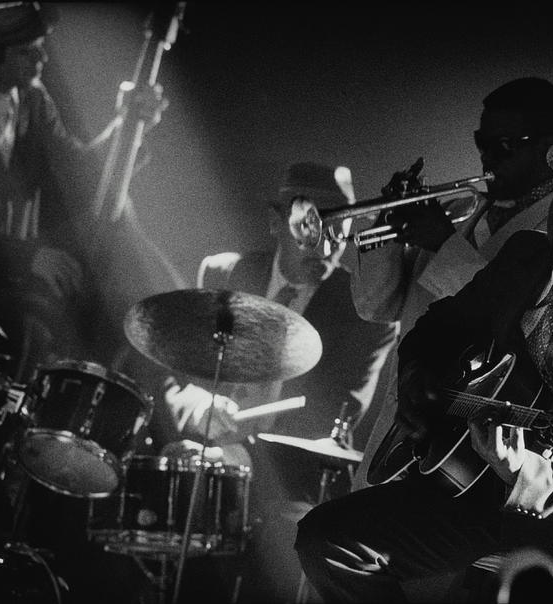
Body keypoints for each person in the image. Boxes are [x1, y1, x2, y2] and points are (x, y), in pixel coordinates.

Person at [295, 136, 553, 602]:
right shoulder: (525, 256)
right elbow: (435, 330)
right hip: (465, 493)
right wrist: (418, 388)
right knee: (325, 540)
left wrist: (523, 472)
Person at [159, 161, 399, 603]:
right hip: (206, 451)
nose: (326, 245)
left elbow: (335, 416)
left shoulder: (367, 312)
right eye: (309, 225)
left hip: (288, 482)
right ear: (275, 222)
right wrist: (198, 406)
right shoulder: (223, 274)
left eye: (339, 229)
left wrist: (240, 441)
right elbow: (179, 376)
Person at [348, 76, 553, 490]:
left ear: (547, 147)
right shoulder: (458, 210)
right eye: (481, 141)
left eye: (504, 144)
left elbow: (514, 324)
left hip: (468, 448)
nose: (486, 156)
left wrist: (442, 244)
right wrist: (384, 229)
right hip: (399, 422)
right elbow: (372, 307)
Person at [0, 1, 171, 384]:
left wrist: (127, 127)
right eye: (28, 50)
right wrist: (28, 256)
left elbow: (75, 179)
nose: (42, 56)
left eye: (41, 44)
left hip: (10, 290)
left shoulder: (33, 101)